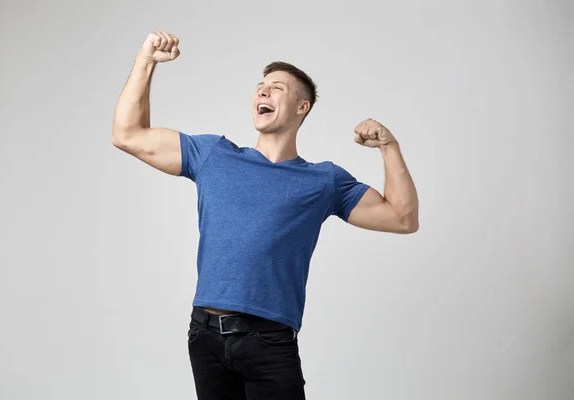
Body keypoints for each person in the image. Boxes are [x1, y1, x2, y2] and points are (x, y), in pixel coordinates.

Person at [111, 31, 419, 400]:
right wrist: (146, 62)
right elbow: (127, 134)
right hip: (205, 335)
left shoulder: (323, 180)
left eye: (276, 88)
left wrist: (389, 147)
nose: (263, 93)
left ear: (301, 107)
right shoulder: (213, 155)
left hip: (270, 341)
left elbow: (402, 218)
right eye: (260, 87)